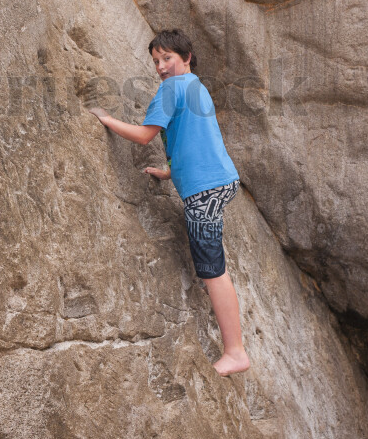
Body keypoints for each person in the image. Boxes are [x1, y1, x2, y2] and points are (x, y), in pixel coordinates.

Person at [89, 28, 250, 377]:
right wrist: (169, 172)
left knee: (212, 271)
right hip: (220, 181)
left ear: (186, 57)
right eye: (156, 61)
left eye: (167, 58)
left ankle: (235, 352)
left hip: (204, 191)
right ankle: (234, 348)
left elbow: (145, 134)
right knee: (212, 264)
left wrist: (108, 120)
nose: (161, 66)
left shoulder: (171, 88)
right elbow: (194, 136)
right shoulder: (195, 86)